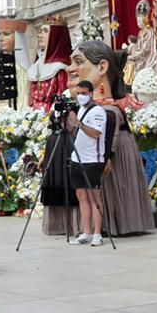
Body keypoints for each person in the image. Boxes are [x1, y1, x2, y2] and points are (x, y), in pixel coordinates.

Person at [74, 40, 156, 238]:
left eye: (78, 61)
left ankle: (114, 223)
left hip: (110, 150)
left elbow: (109, 133)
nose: (72, 69)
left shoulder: (111, 109)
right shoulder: (90, 108)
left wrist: (108, 154)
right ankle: (91, 228)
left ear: (102, 67)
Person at [65, 78, 110, 247]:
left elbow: (96, 133)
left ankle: (98, 233)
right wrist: (68, 122)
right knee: (81, 196)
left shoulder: (98, 111)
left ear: (91, 93)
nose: (81, 96)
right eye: (78, 93)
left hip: (93, 159)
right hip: (78, 157)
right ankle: (86, 232)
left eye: (84, 93)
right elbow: (74, 130)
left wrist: (79, 123)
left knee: (94, 197)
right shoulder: (81, 109)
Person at [27, 22, 72, 111]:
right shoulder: (36, 65)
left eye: (45, 31)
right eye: (40, 31)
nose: (40, 35)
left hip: (51, 115)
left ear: (56, 36)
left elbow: (62, 98)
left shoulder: (60, 68)